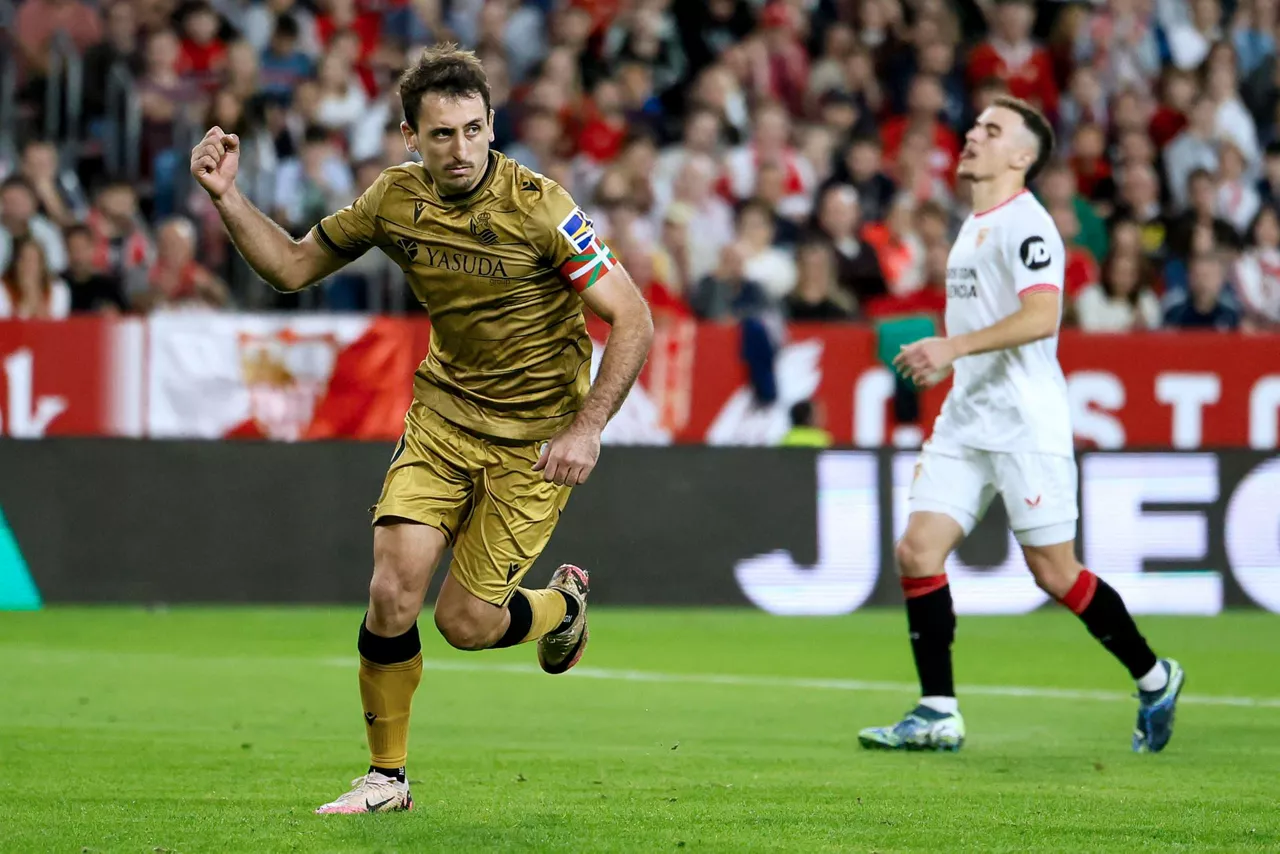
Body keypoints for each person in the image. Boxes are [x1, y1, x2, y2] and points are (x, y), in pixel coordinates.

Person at [189, 44, 654, 813]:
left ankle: (562, 609)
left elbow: (631, 315)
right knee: (390, 590)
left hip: (532, 443)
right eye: (442, 135)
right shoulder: (393, 199)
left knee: (465, 624)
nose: (462, 149)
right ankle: (387, 778)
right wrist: (226, 197)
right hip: (443, 420)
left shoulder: (541, 206)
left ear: (492, 124)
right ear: (410, 135)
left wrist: (588, 427)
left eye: (475, 130)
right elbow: (295, 267)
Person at [862, 96, 1183, 754]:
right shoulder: (973, 225)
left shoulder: (1027, 225)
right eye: (976, 125)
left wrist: (951, 348)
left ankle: (1155, 676)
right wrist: (950, 361)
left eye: (992, 130)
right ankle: (937, 710)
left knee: (1054, 571)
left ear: (1022, 156)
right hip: (967, 417)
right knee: (917, 550)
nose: (974, 135)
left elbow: (1042, 317)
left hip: (1024, 421)